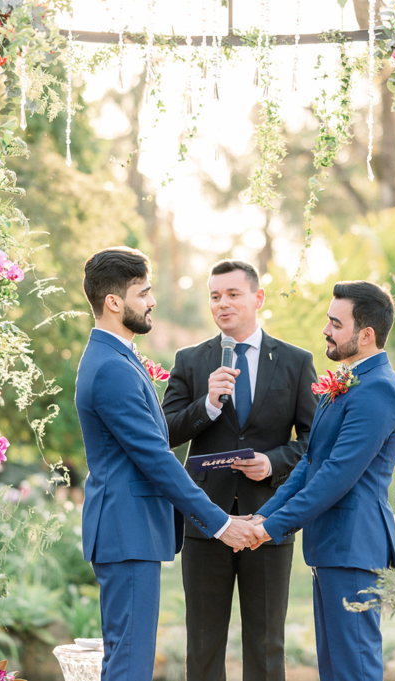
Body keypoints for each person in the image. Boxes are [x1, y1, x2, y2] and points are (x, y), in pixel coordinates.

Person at [74, 247, 260, 681]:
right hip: (127, 529)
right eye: (144, 292)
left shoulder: (116, 357)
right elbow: (156, 458)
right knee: (129, 663)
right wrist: (220, 522)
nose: (152, 301)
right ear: (114, 302)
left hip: (129, 530)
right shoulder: (111, 368)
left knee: (127, 658)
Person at [162, 260, 318, 681]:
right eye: (214, 296)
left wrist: (273, 463)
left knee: (268, 645)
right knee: (203, 643)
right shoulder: (191, 361)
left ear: (257, 298)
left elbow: (314, 441)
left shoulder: (296, 362)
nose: (222, 304)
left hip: (266, 521)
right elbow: (165, 432)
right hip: (205, 524)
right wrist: (208, 405)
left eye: (232, 294)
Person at [249, 281, 395, 681]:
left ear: (366, 335)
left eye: (336, 323)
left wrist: (271, 529)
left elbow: (337, 476)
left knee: (354, 669)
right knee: (334, 670)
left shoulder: (378, 391)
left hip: (354, 546)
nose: (326, 330)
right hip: (332, 546)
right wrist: (261, 516)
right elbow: (309, 464)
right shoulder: (344, 383)